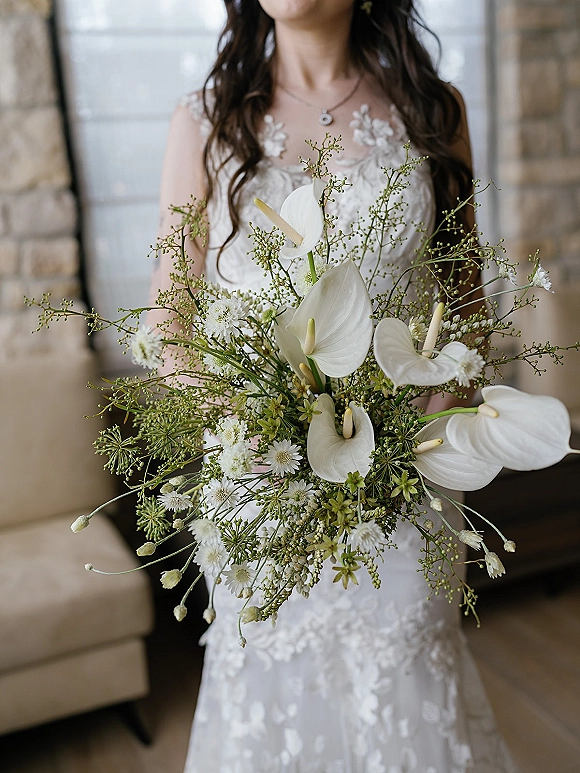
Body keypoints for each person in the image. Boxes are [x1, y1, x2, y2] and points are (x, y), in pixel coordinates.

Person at [151, 2, 520, 771]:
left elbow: (468, 305)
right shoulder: (204, 123)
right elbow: (169, 319)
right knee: (271, 697)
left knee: (408, 690)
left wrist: (423, 436)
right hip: (261, 486)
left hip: (407, 487)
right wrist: (249, 426)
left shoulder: (432, 109)